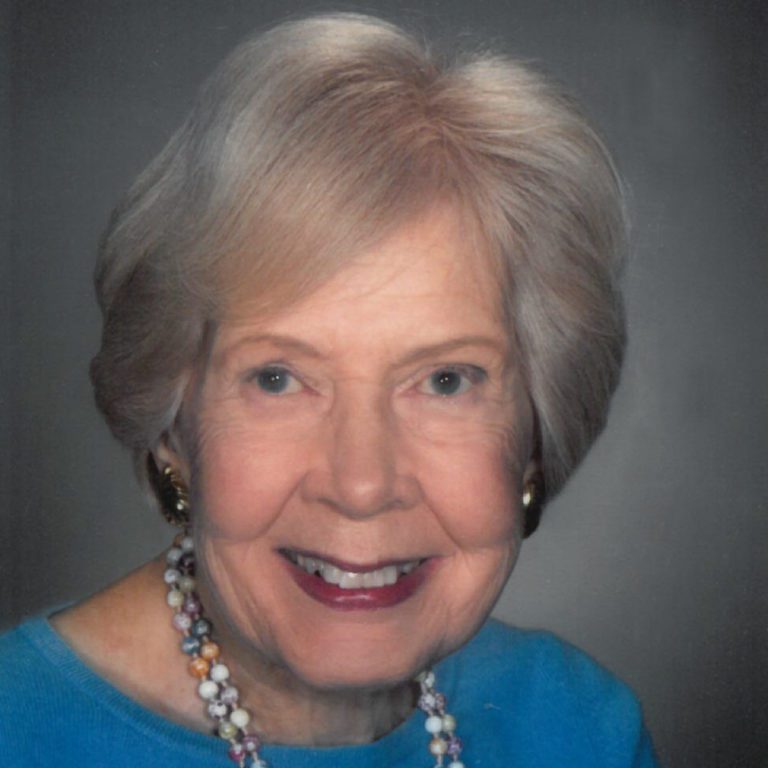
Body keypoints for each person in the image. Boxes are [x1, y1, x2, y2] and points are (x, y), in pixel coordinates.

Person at [0, 12, 658, 767]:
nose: (361, 484)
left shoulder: (581, 728)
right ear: (174, 431)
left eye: (444, 381)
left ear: (534, 441)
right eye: (277, 379)